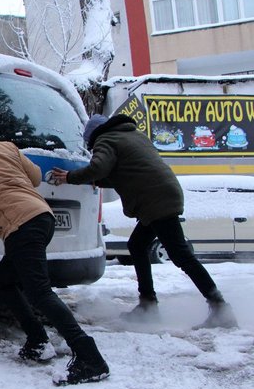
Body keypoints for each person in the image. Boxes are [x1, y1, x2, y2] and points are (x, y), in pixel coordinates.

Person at [0, 120, 109, 385]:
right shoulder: (4, 147)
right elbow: (35, 177)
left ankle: (89, 356)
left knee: (39, 292)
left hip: (21, 226)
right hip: (41, 217)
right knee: (4, 281)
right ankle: (37, 341)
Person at [51, 114, 238, 329]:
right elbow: (128, 171)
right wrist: (97, 181)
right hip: (164, 193)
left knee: (181, 256)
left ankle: (220, 309)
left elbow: (99, 167)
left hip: (156, 200)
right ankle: (148, 303)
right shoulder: (132, 135)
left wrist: (70, 177)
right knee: (137, 245)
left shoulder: (106, 139)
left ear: (93, 136)